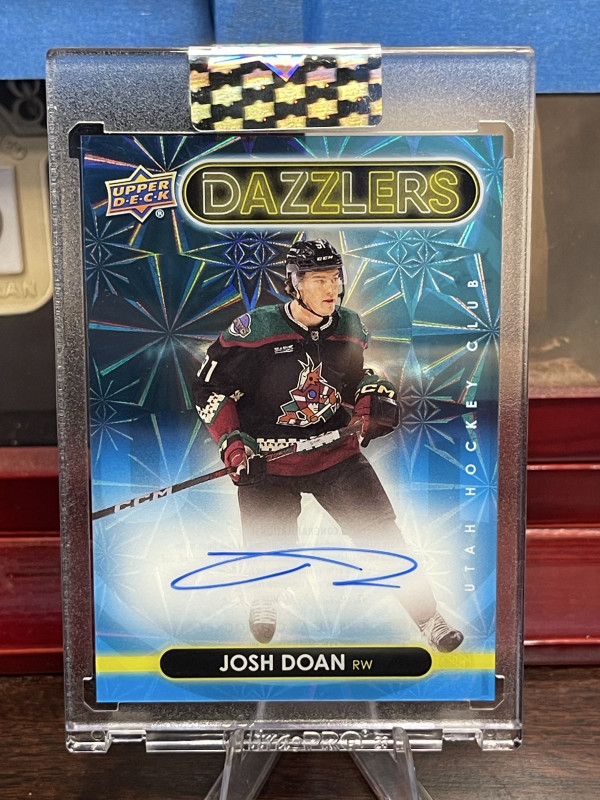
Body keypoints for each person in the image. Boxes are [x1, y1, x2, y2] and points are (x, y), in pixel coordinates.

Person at [193, 238, 463, 652]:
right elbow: (209, 389)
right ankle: (265, 596)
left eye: (336, 278)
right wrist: (232, 443)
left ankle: (428, 617)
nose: (331, 289)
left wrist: (372, 395)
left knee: (382, 537)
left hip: (335, 454)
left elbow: (352, 380)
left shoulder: (350, 326)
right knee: (268, 541)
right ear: (294, 284)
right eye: (319, 279)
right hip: (269, 459)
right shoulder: (254, 330)